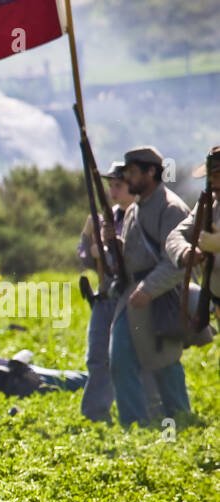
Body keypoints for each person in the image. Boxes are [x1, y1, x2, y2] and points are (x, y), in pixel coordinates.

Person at [102, 146, 191, 428]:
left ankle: (181, 421)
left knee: (164, 361)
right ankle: (135, 425)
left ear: (151, 172)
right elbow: (131, 257)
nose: (127, 178)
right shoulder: (133, 211)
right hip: (134, 291)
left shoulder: (171, 208)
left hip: (161, 293)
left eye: (132, 172)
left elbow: (177, 262)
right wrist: (113, 246)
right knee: (121, 359)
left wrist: (149, 289)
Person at [77, 160, 134, 422]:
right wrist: (90, 247)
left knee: (129, 361)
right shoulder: (107, 219)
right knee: (97, 358)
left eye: (118, 186)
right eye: (111, 186)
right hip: (105, 297)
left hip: (129, 298)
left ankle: (138, 416)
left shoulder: (138, 219)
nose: (113, 192)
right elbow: (85, 256)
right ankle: (95, 415)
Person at [165, 144, 220, 356]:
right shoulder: (208, 205)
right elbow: (175, 236)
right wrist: (185, 251)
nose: (214, 181)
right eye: (212, 175)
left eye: (218, 175)